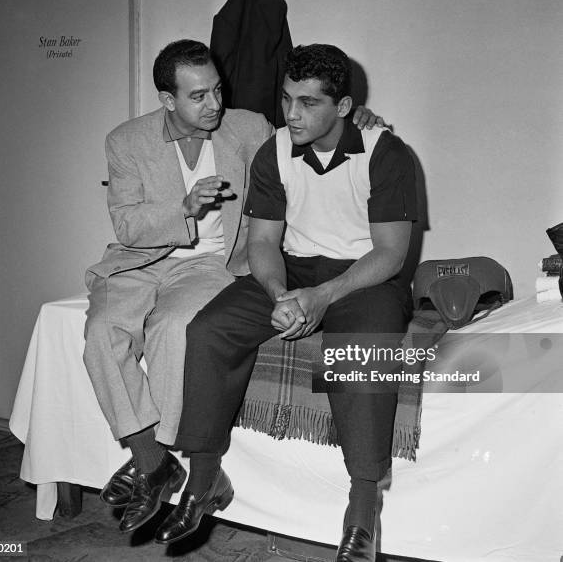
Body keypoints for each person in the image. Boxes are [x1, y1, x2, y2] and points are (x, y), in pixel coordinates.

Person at [82, 39, 383, 535]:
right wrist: (182, 207)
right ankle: (152, 458)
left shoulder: (248, 126)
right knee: (100, 333)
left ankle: (168, 465)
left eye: (217, 90)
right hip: (139, 261)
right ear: (167, 100)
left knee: (176, 327)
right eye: (198, 96)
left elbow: (310, 128)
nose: (214, 104)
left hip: (210, 265)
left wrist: (360, 117)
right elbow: (127, 226)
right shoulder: (125, 141)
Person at [155, 44, 417, 562]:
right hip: (291, 270)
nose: (291, 114)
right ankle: (205, 477)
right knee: (209, 329)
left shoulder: (386, 152)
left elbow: (391, 254)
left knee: (359, 353)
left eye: (308, 103)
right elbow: (261, 243)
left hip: (364, 277)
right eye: (286, 98)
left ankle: (363, 509)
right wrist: (280, 295)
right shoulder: (273, 150)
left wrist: (322, 298)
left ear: (342, 108)